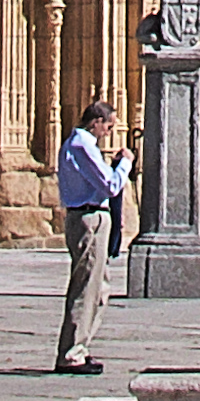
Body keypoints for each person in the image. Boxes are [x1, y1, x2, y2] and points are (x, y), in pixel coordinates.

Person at [54, 95, 132, 374]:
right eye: (108, 127)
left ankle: (80, 346)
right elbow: (110, 185)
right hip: (88, 219)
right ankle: (71, 353)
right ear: (96, 122)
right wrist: (125, 164)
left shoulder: (82, 145)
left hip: (92, 216)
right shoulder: (82, 145)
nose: (108, 133)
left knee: (99, 288)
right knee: (86, 286)